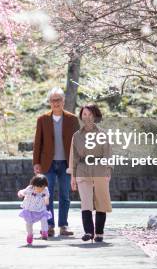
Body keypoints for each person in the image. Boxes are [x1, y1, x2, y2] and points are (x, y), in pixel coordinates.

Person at [32, 87, 80, 237]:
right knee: (47, 195)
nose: (56, 103)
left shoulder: (72, 119)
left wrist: (77, 164)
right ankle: (49, 225)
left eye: (58, 99)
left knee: (65, 195)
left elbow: (78, 143)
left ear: (63, 101)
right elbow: (37, 143)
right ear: (49, 102)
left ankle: (63, 226)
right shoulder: (42, 119)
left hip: (66, 164)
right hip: (48, 164)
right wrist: (36, 162)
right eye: (53, 100)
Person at [67, 103, 113, 243]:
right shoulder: (76, 136)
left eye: (90, 114)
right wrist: (73, 176)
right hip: (82, 169)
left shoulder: (103, 134)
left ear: (95, 116)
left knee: (101, 201)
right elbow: (73, 157)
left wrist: (108, 170)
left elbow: (108, 153)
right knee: (85, 202)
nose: (87, 117)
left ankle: (99, 233)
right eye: (84, 114)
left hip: (99, 168)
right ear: (81, 116)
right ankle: (88, 232)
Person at [17, 174, 52, 245]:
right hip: (30, 210)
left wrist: (46, 200)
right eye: (38, 187)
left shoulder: (45, 190)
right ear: (34, 185)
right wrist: (20, 194)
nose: (40, 189)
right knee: (29, 224)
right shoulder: (30, 188)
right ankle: (30, 235)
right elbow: (22, 192)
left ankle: (44, 232)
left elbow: (47, 198)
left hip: (41, 210)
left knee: (44, 219)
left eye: (42, 187)